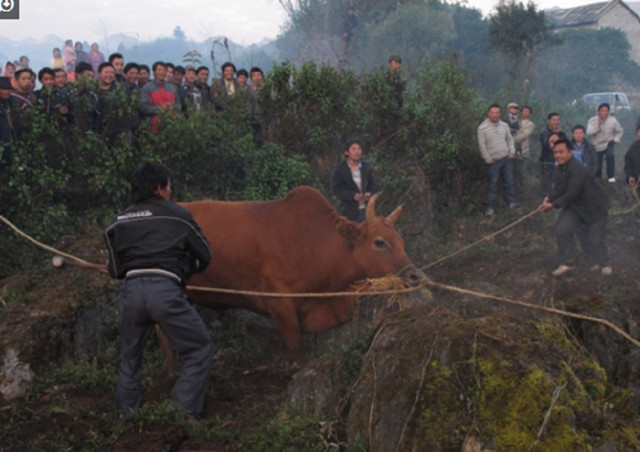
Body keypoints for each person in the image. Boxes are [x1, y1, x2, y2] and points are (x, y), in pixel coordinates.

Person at [104, 162, 214, 416]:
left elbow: (115, 270)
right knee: (199, 349)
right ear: (159, 189)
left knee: (130, 358)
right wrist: (183, 271)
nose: (170, 191)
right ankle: (181, 414)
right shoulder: (178, 216)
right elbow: (205, 255)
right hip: (165, 291)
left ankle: (127, 416)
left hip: (132, 294)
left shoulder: (117, 222)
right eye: (168, 186)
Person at [538, 138, 611, 276]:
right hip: (577, 207)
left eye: (561, 152)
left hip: (595, 207)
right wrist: (549, 197)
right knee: (562, 229)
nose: (558, 155)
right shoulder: (560, 167)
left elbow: (571, 193)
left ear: (570, 152)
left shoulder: (577, 169)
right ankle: (568, 262)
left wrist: (553, 205)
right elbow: (559, 188)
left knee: (595, 239)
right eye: (556, 153)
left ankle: (604, 262)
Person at [477, 104, 518, 216]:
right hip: (493, 161)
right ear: (488, 113)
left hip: (506, 158)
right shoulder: (482, 127)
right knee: (493, 184)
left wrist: (511, 151)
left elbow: (510, 139)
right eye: (492, 113)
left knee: (509, 181)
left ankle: (511, 203)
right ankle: (490, 207)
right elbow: (482, 145)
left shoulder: (504, 125)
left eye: (497, 113)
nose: (495, 115)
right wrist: (487, 158)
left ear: (500, 114)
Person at [331, 139, 376, 222]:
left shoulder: (366, 167)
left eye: (359, 149)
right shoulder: (340, 168)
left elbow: (372, 185)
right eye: (353, 149)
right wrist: (352, 195)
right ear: (347, 152)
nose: (357, 152)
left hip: (365, 210)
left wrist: (370, 193)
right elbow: (336, 189)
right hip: (348, 211)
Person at [586, 102, 623, 183]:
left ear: (608, 112)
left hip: (608, 142)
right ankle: (598, 178)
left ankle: (611, 176)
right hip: (597, 144)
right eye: (602, 110)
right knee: (598, 163)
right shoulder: (592, 120)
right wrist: (598, 125)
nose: (604, 113)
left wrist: (615, 139)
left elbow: (619, 130)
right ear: (598, 111)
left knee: (610, 155)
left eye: (606, 111)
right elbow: (588, 132)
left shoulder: (613, 120)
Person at [139, 61, 179, 132]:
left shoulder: (172, 88)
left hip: (171, 126)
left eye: (164, 70)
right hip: (153, 128)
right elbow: (143, 107)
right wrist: (160, 109)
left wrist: (175, 112)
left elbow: (178, 106)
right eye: (159, 70)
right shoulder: (147, 88)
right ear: (154, 72)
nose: (162, 72)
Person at [513, 105, 535, 195]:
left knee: (522, 174)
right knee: (512, 173)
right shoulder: (515, 121)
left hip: (523, 152)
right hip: (511, 151)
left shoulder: (530, 124)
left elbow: (523, 135)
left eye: (527, 111)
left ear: (530, 114)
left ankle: (523, 194)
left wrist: (511, 138)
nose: (525, 112)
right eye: (524, 111)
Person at [624, 125, 640, 237]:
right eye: (639, 132)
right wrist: (630, 176)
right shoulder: (632, 148)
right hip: (638, 184)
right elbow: (628, 164)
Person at [540, 112, 561, 196]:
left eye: (558, 120)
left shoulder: (561, 132)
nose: (556, 122)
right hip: (547, 160)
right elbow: (547, 145)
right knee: (547, 181)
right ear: (549, 121)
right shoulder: (545, 132)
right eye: (554, 120)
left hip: (558, 160)